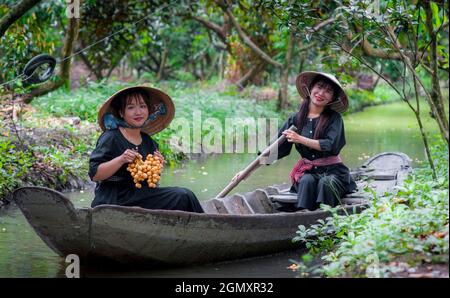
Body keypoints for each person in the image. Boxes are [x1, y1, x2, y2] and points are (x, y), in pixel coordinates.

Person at [234, 71, 356, 211]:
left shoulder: (335, 119)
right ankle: (302, 219)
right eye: (319, 87)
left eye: (328, 91)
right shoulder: (296, 119)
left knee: (325, 183)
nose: (321, 93)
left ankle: (326, 218)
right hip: (309, 173)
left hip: (334, 173)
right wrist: (246, 172)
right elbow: (274, 150)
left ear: (332, 98)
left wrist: (300, 139)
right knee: (306, 180)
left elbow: (330, 145)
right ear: (310, 88)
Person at [89, 85, 204, 213]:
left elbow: (151, 182)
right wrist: (121, 160)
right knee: (184, 195)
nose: (138, 112)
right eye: (131, 107)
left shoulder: (149, 142)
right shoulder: (111, 137)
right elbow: (95, 175)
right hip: (114, 199)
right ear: (121, 113)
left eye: (142, 106)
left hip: (140, 196)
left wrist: (157, 167)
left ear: (148, 110)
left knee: (183, 197)